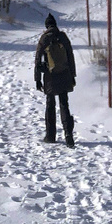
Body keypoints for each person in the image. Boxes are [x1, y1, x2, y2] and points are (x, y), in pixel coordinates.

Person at [33, 14, 78, 147]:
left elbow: (37, 59)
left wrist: (37, 79)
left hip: (50, 77)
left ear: (46, 26)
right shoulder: (63, 37)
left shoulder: (44, 38)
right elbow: (70, 57)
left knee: (50, 104)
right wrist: (73, 76)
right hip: (64, 75)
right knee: (64, 104)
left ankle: (50, 135)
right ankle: (68, 134)